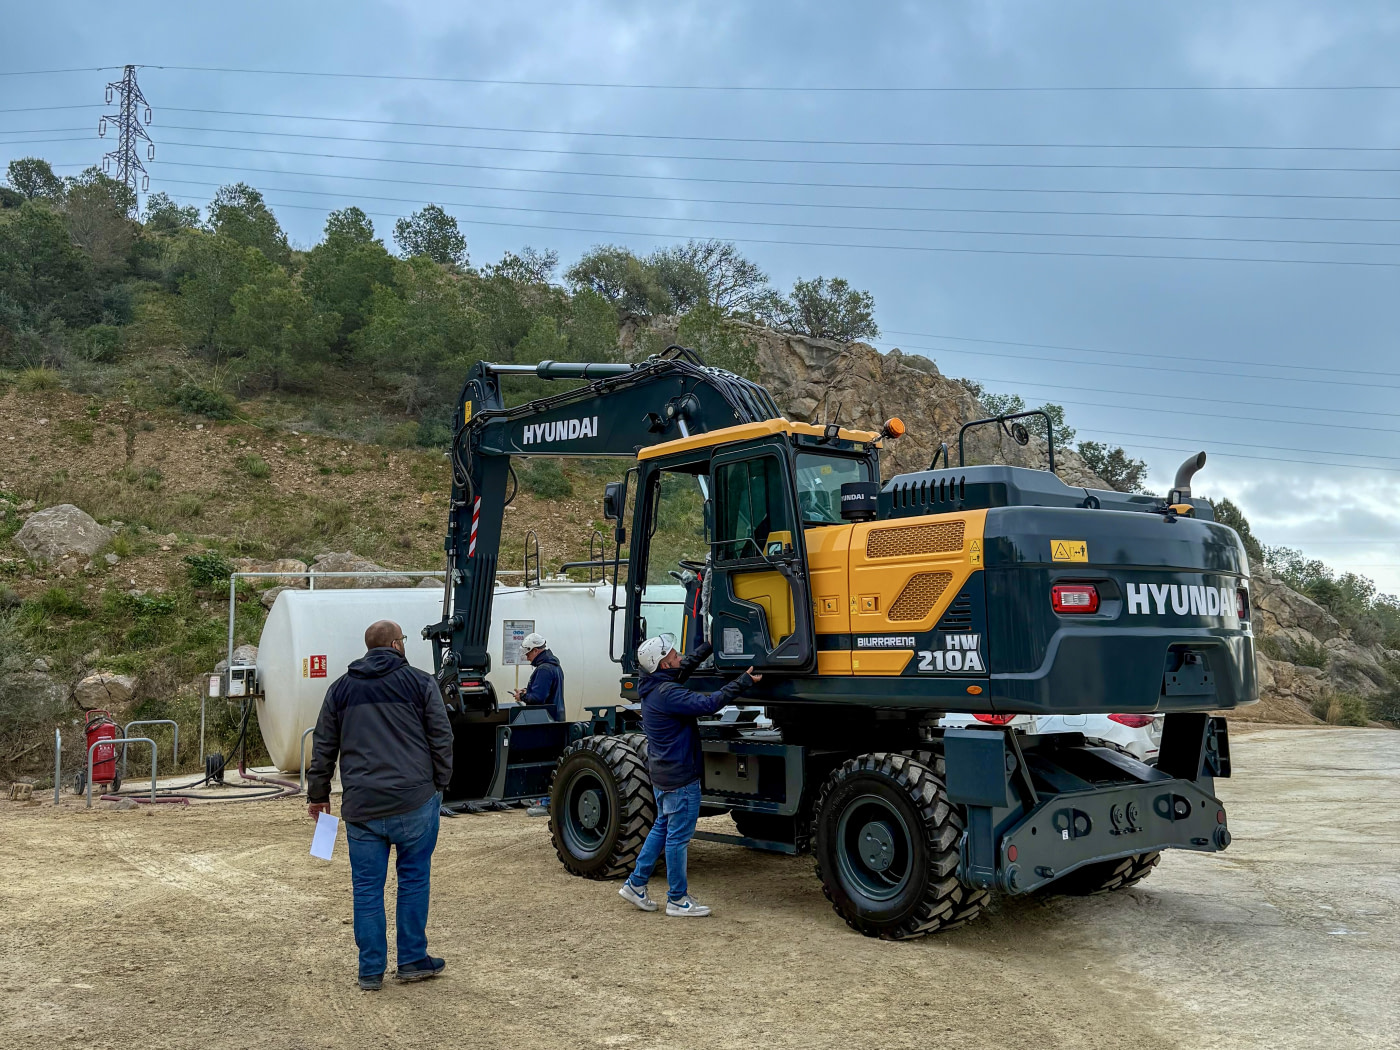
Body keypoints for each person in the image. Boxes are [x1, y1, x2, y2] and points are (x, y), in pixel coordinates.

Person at [306, 619, 454, 991]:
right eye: (402, 639)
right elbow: (441, 736)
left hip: (362, 807)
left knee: (367, 888)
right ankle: (411, 960)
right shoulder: (421, 682)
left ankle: (370, 970)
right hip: (415, 800)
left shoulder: (340, 689)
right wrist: (441, 784)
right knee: (414, 878)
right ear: (394, 644)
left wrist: (318, 794)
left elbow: (324, 744)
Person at [618, 634, 761, 917]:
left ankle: (635, 885)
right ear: (661, 664)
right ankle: (677, 899)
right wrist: (742, 681)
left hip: (664, 773)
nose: (679, 656)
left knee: (662, 828)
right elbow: (708, 704)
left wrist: (708, 644)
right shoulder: (669, 694)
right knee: (678, 838)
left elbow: (685, 665)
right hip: (681, 777)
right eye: (672, 655)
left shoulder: (653, 685)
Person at [510, 632, 564, 722]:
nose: (527, 658)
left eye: (528, 654)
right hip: (555, 719)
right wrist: (528, 691)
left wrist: (522, 696)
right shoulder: (555, 666)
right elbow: (547, 692)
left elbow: (537, 698)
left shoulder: (544, 669)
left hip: (545, 722)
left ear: (535, 650)